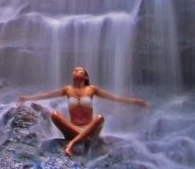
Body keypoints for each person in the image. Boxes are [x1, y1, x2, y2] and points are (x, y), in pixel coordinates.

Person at [17, 66, 149, 156]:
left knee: (100, 118)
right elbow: (47, 95)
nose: (75, 72)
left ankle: (73, 143)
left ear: (86, 77)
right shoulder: (67, 90)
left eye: (79, 71)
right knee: (55, 115)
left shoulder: (92, 89)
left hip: (89, 129)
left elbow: (114, 98)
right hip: (73, 129)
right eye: (74, 71)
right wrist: (27, 98)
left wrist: (135, 102)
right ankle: (83, 139)